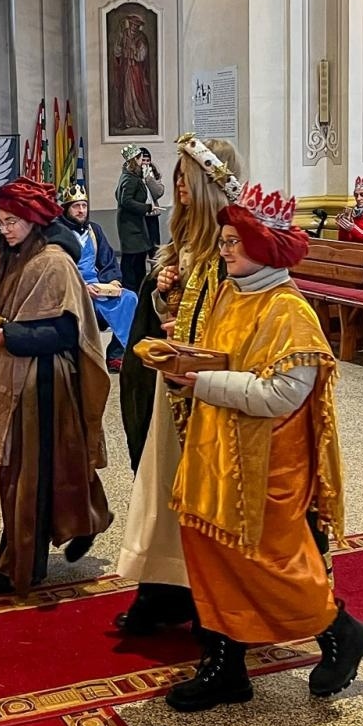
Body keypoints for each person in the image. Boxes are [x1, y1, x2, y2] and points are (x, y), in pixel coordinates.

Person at [163, 183, 363, 712]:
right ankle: (225, 664)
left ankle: (339, 631)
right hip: (215, 452)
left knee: (271, 562)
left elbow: (283, 395)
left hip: (266, 463)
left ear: (265, 247)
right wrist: (181, 364)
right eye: (224, 240)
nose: (225, 249)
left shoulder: (289, 312)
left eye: (236, 241)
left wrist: (200, 383)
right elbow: (220, 358)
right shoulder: (229, 293)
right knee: (212, 554)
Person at [116, 133, 242, 636]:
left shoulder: (232, 239)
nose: (178, 185)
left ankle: (199, 594)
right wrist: (164, 295)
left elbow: (236, 317)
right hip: (170, 379)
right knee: (161, 485)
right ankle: (162, 586)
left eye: (187, 175)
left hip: (205, 385)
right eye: (177, 174)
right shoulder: (184, 236)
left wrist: (188, 326)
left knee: (193, 491)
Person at [0, 178, 113, 595]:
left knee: (28, 476)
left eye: (12, 221)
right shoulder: (15, 253)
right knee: (48, 468)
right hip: (19, 378)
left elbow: (68, 332)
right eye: (0, 221)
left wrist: (9, 335)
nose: (4, 228)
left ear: (34, 218)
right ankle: (87, 518)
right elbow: (16, 312)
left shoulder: (53, 262)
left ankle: (20, 567)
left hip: (43, 383)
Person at [61, 183, 138, 370]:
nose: (81, 211)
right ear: (66, 209)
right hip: (72, 287)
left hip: (98, 285)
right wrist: (82, 287)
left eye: (84, 206)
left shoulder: (94, 230)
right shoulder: (58, 232)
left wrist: (112, 282)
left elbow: (107, 260)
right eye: (76, 206)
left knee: (129, 298)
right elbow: (58, 268)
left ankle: (116, 354)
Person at [115, 146, 159, 293]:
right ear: (136, 159)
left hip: (134, 224)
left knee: (138, 259)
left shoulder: (128, 176)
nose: (143, 162)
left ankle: (139, 290)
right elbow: (125, 200)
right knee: (132, 261)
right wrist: (147, 208)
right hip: (131, 226)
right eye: (141, 158)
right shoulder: (130, 178)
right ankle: (132, 293)